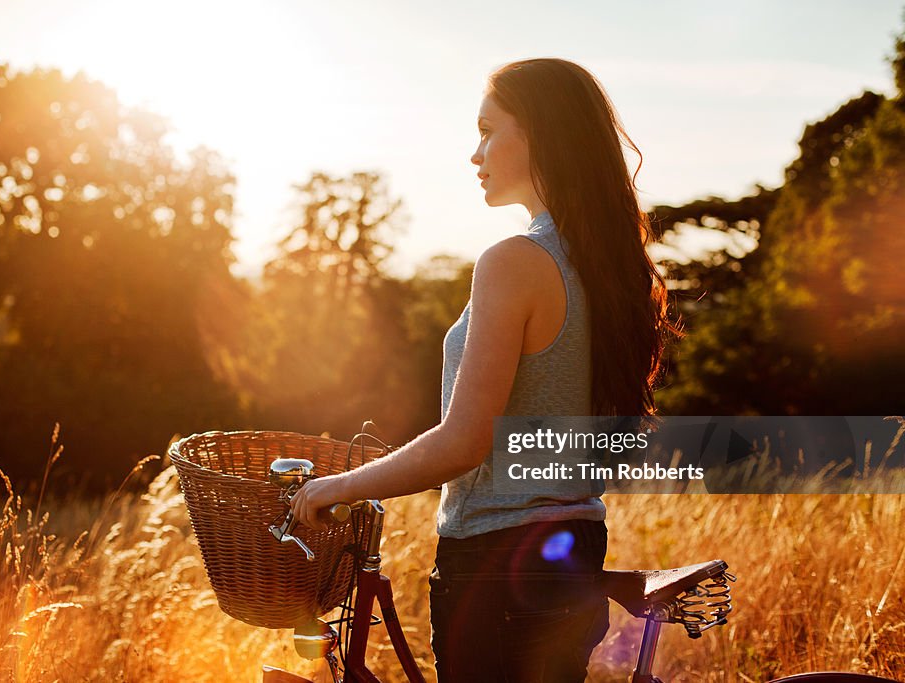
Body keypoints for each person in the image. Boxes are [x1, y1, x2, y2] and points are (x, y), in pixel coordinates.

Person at [290, 58, 680, 682]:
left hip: (499, 564)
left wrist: (335, 487)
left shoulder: (516, 262)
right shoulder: (609, 267)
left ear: (541, 134)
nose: (475, 154)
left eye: (486, 130)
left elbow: (464, 443)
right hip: (571, 548)